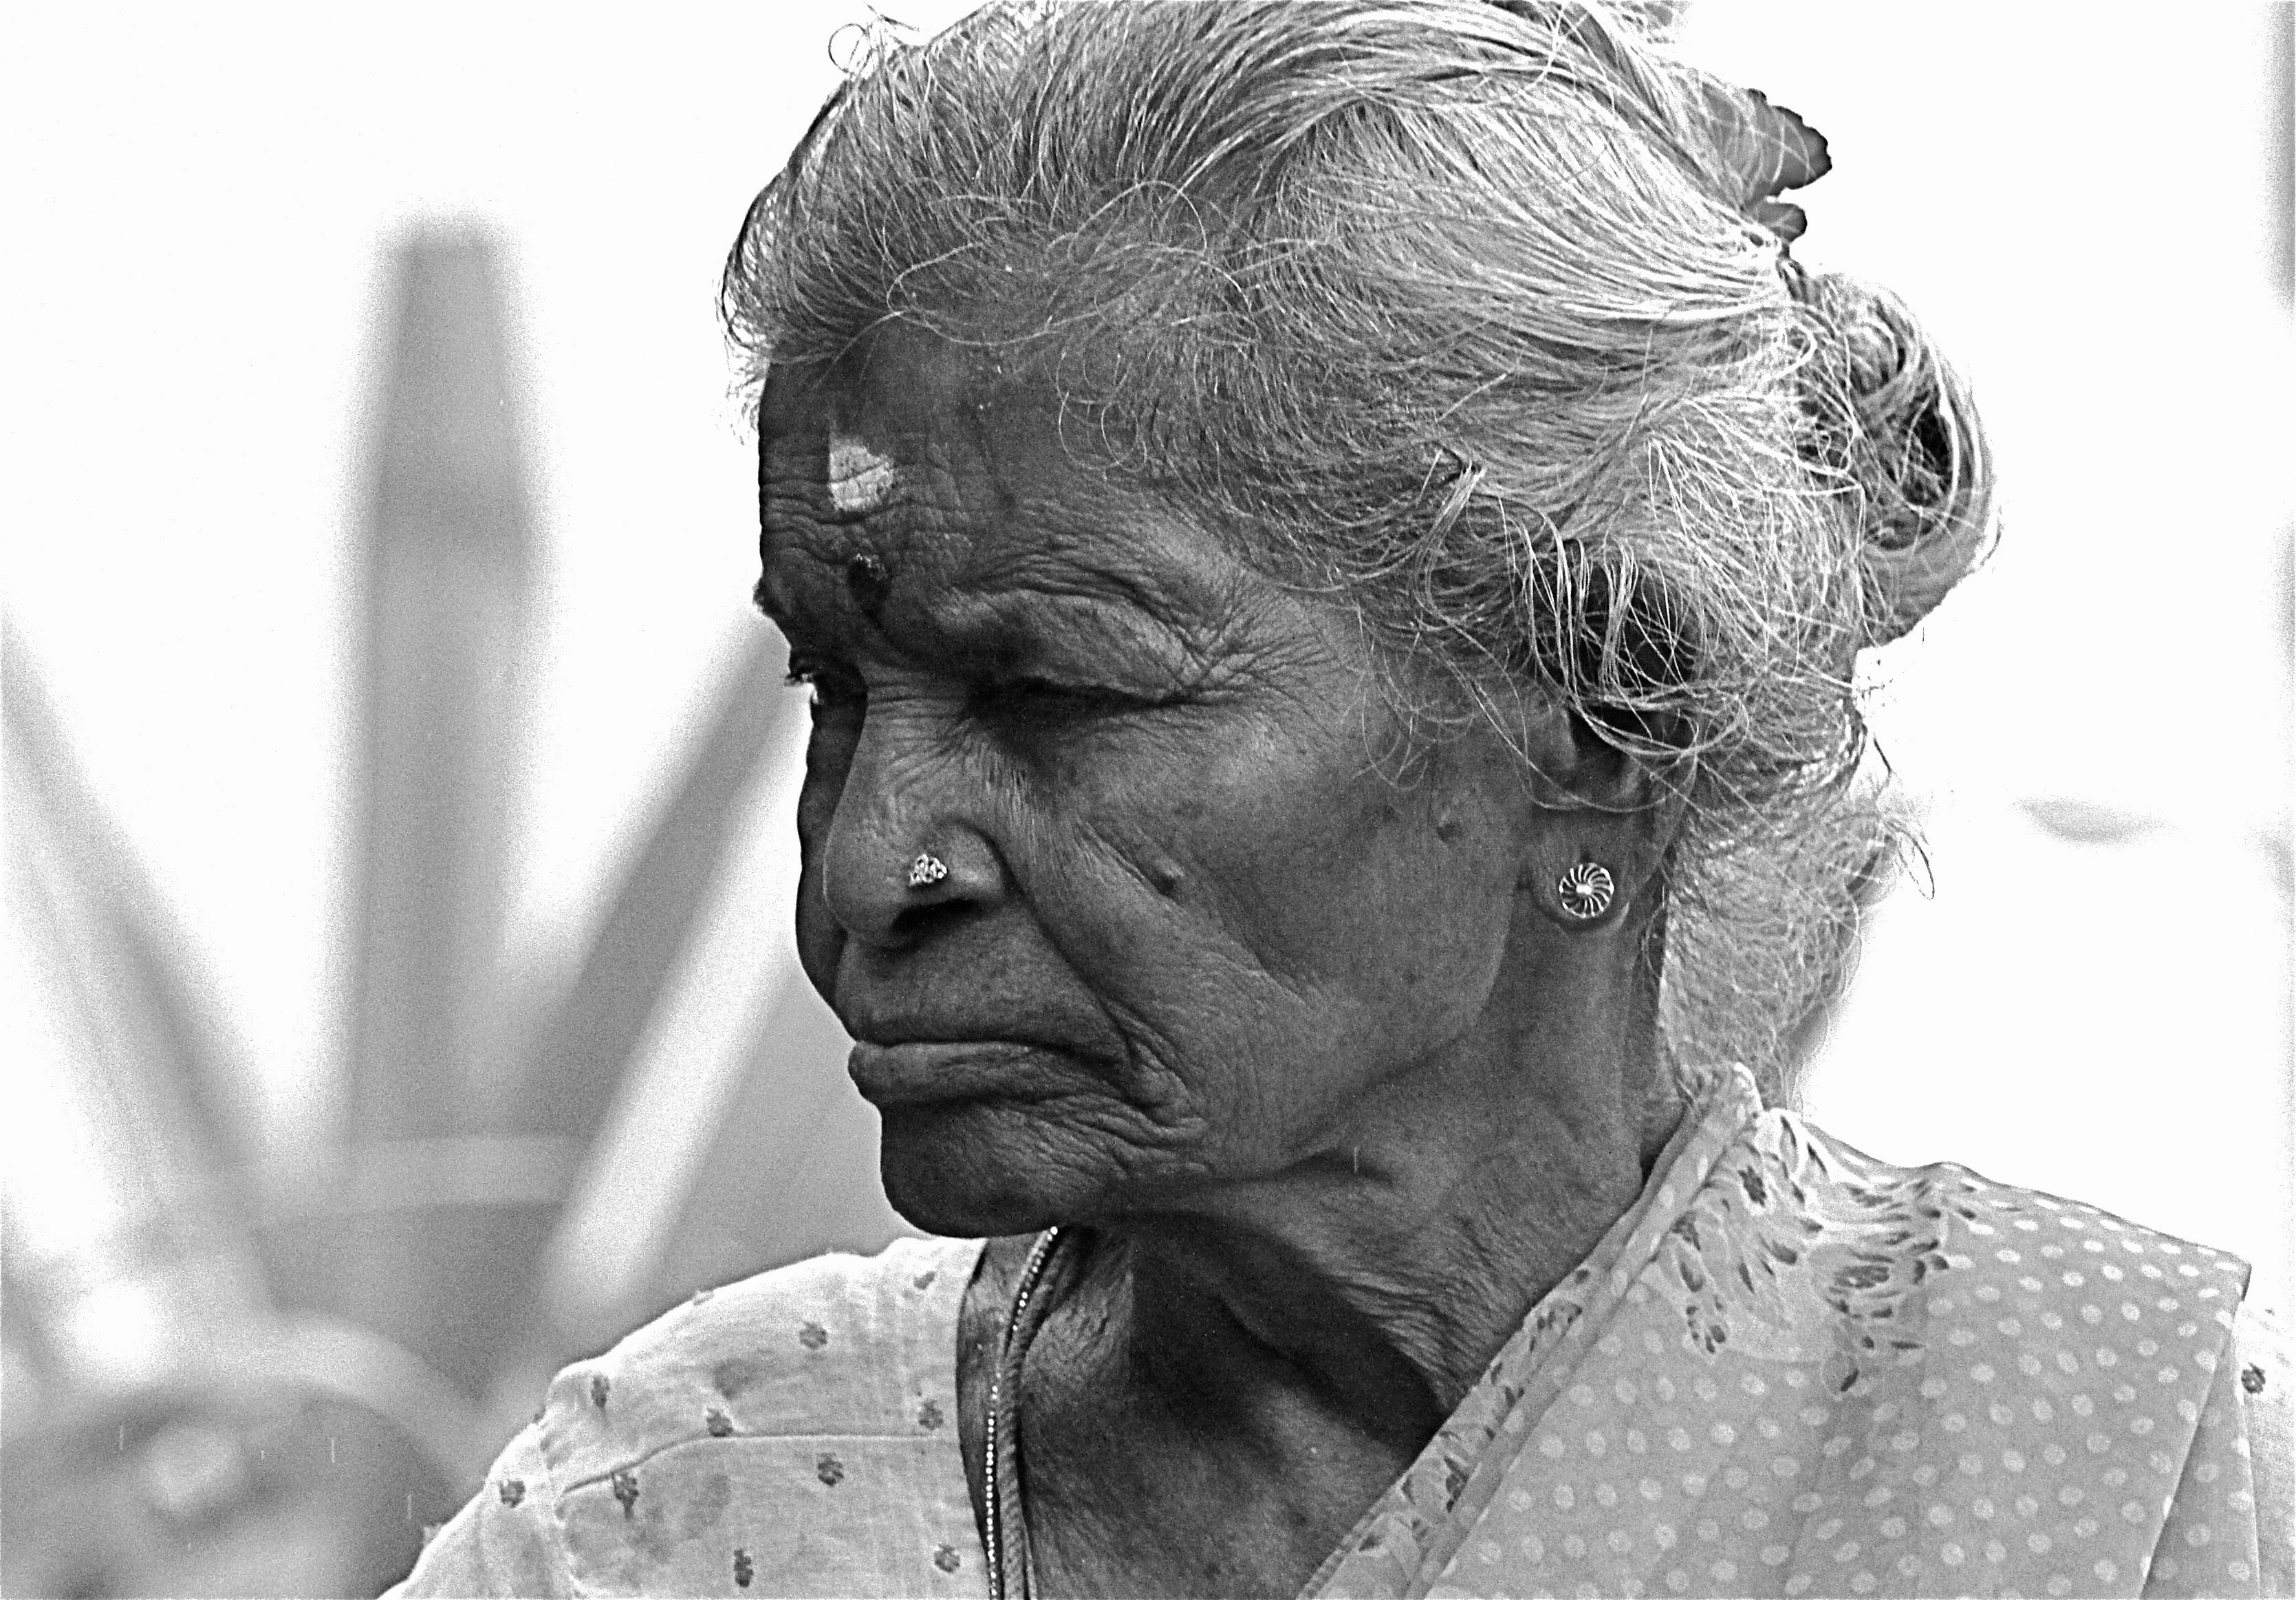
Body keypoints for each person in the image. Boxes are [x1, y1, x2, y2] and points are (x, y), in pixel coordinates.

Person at [391, 3, 2292, 1594]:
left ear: (1599, 708)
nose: (868, 866)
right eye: (835, 691)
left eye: (1057, 690)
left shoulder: (2126, 1474)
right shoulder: (678, 1518)